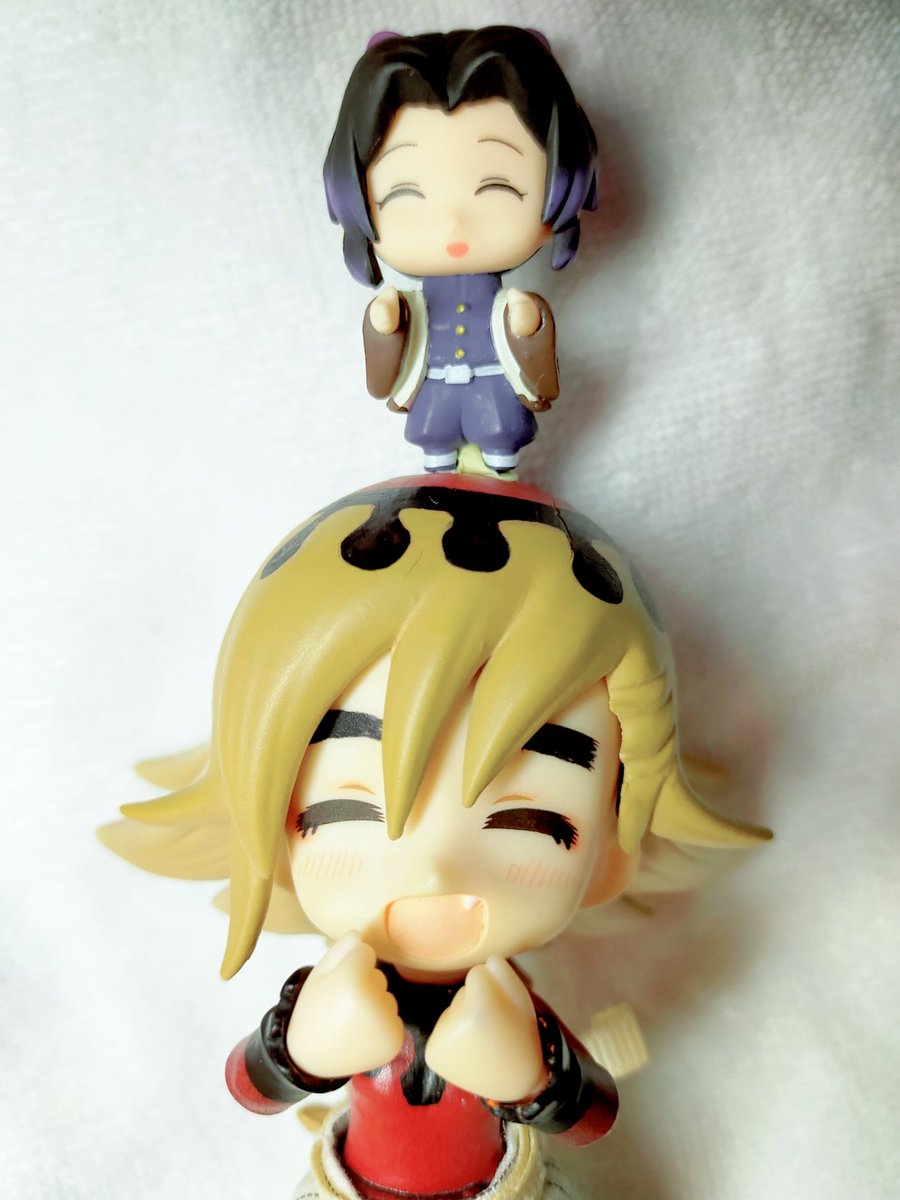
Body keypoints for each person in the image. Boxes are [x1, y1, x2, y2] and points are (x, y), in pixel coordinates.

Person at [101, 475, 767, 1200]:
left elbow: (593, 1115)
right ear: (273, 825)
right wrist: (298, 1052)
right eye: (347, 810)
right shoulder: (331, 993)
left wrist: (534, 1077)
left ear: (609, 855)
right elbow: (247, 1086)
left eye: (531, 823)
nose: (434, 872)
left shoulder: (508, 1005)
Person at [323, 28, 599, 473]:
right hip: (434, 387)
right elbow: (386, 357)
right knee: (435, 445)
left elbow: (533, 349)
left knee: (500, 439)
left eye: (499, 187)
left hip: (493, 381)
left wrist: (526, 326)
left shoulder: (509, 300)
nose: (454, 222)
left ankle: (502, 479)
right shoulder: (411, 304)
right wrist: (385, 324)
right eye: (404, 193)